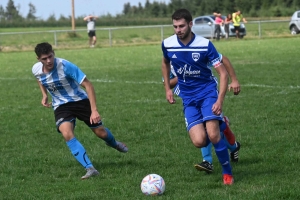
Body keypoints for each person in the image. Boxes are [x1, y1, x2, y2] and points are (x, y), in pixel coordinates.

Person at [32, 42, 128, 180]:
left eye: (50, 56)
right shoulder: (36, 69)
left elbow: (88, 85)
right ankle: (90, 168)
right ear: (38, 59)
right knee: (66, 133)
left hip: (80, 101)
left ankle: (114, 143)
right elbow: (39, 79)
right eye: (44, 59)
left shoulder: (65, 66)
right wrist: (44, 95)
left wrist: (94, 110)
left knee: (100, 132)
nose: (48, 61)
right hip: (61, 106)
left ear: (53, 53)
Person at [161, 8, 234, 185]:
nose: (178, 30)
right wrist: (167, 89)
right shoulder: (167, 43)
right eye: (175, 26)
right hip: (188, 98)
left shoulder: (205, 44)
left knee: (214, 136)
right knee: (199, 141)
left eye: (182, 26)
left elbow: (223, 74)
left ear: (190, 24)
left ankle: (227, 173)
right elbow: (165, 62)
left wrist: (219, 100)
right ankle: (222, 123)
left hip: (208, 93)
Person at [163, 54, 241, 173]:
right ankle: (232, 145)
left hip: (207, 94)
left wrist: (234, 79)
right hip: (189, 98)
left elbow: (223, 59)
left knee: (210, 129)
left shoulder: (197, 50)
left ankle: (209, 161)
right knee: (205, 134)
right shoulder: (170, 56)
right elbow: (168, 82)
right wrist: (182, 75)